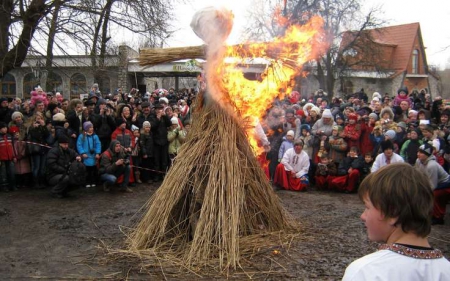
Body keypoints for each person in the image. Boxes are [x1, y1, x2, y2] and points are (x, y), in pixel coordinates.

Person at [342, 163, 450, 281]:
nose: (363, 216)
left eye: (367, 207)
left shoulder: (366, 272)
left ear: (392, 213)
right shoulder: (446, 270)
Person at [414, 142, 450, 225]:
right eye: (418, 152)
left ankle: (438, 217)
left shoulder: (432, 165)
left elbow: (432, 186)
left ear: (427, 154)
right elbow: (416, 173)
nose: (418, 154)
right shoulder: (418, 161)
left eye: (421, 152)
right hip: (431, 182)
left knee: (434, 194)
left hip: (444, 184)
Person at [76, 121, 101, 188]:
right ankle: (86, 181)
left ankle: (93, 181)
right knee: (86, 170)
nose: (92, 128)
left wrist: (97, 153)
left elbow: (98, 144)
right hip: (86, 156)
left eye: (92, 127)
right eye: (90, 127)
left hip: (93, 156)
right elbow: (79, 145)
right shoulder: (82, 136)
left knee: (93, 169)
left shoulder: (95, 136)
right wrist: (82, 153)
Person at [0, 122, 17, 191]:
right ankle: (4, 186)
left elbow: (13, 147)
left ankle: (12, 185)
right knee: (3, 173)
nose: (5, 129)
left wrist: (14, 156)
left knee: (12, 172)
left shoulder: (9, 136)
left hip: (10, 157)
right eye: (3, 128)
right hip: (2, 158)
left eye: (6, 127)